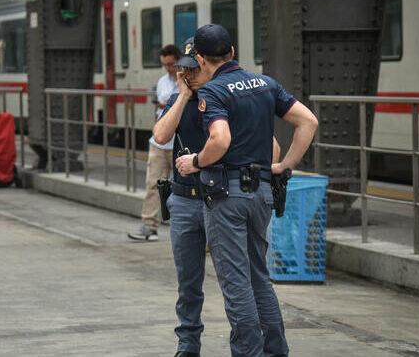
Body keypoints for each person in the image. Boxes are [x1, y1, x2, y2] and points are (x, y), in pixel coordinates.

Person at [176, 24, 318, 357]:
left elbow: (220, 139)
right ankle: (275, 351)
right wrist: (285, 166)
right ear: (232, 53)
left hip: (227, 197)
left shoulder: (215, 91)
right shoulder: (265, 83)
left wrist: (196, 161)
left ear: (200, 58)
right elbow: (308, 121)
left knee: (236, 282)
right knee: (259, 278)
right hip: (262, 194)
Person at [155, 39, 281, 357]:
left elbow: (272, 147)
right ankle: (188, 343)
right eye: (184, 70)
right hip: (185, 200)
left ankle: (253, 346)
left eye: (194, 69)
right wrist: (183, 97)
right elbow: (160, 135)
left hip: (221, 198)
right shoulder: (181, 98)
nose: (188, 75)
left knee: (238, 280)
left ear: (208, 66)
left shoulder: (227, 98)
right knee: (189, 282)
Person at [128, 44, 181, 241]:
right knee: (153, 184)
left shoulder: (188, 81)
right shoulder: (162, 82)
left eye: (172, 64)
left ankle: (189, 228)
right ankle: (149, 226)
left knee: (184, 188)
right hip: (159, 144)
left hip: (179, 144)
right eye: (165, 65)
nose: (168, 69)